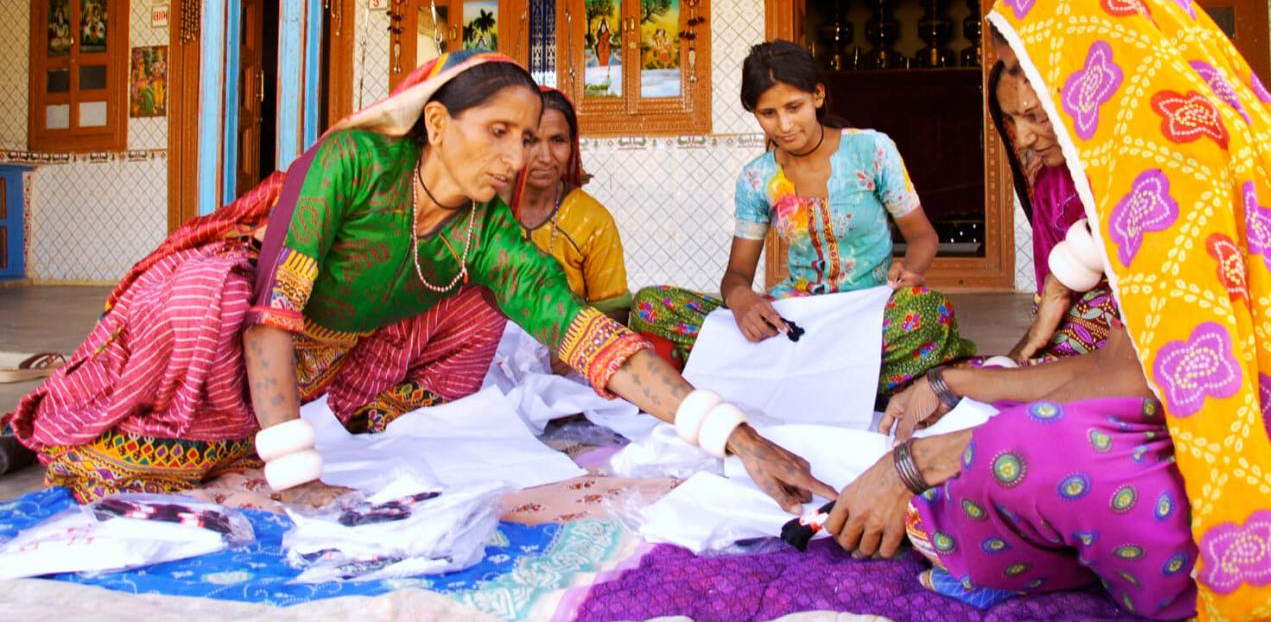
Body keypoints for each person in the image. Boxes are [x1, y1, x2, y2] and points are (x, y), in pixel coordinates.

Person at [0, 51, 832, 515]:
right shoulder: (352, 164)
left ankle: (305, 429)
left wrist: (742, 439)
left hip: (327, 355)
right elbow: (271, 311)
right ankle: (54, 422)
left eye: (531, 137)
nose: (517, 158)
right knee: (201, 295)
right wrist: (297, 476)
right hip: (237, 327)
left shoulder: (486, 229)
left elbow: (590, 337)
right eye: (498, 133)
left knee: (477, 306)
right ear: (436, 123)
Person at [822, 0, 1271, 619]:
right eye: (1014, 115)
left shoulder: (1177, 165)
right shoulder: (1181, 143)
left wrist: (916, 462)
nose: (1029, 139)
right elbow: (1124, 367)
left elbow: (1130, 385)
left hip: (1250, 499)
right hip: (1219, 451)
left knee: (1019, 449)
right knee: (1009, 418)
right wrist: (955, 383)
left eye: (1037, 107)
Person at [634, 40, 974, 394]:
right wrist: (741, 300)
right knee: (650, 306)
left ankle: (780, 380)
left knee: (931, 314)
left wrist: (913, 270)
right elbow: (736, 275)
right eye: (768, 113)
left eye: (793, 107)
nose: (783, 125)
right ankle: (837, 382)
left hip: (867, 316)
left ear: (818, 96)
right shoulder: (757, 179)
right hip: (793, 321)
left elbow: (923, 236)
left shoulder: (872, 150)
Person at [987, 42, 1120, 362]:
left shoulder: (1127, 158)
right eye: (1012, 121)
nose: (1022, 139)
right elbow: (1049, 293)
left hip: (1145, 304)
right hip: (1079, 314)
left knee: (1086, 325)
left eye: (1033, 116)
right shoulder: (1049, 186)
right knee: (1056, 337)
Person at [511, 88, 632, 321]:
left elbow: (614, 312)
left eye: (558, 140)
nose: (545, 157)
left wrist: (574, 348)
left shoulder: (593, 221)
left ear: (572, 145)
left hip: (565, 347)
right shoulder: (487, 210)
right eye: (531, 141)